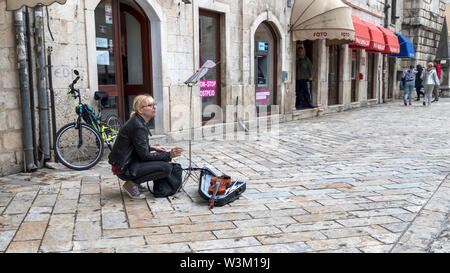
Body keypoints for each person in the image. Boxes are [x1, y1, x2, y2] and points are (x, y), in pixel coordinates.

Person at [108, 94, 183, 199]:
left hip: (125, 163)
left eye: (154, 104)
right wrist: (169, 154)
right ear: (140, 110)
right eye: (150, 105)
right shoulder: (138, 125)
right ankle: (132, 184)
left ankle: (136, 182)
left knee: (162, 160)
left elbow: (136, 146)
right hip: (124, 168)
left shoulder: (138, 121)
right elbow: (145, 156)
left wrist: (153, 148)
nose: (154, 107)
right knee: (166, 168)